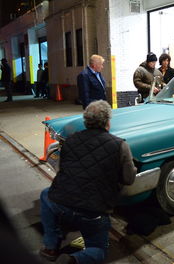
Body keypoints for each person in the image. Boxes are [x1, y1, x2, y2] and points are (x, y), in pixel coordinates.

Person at [39, 100, 137, 264]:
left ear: (86, 121)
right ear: (107, 122)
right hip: (93, 210)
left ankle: (51, 247)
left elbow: (62, 169)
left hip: (60, 202)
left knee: (45, 195)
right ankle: (72, 260)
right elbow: (128, 179)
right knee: (99, 249)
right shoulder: (120, 145)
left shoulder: (70, 140)